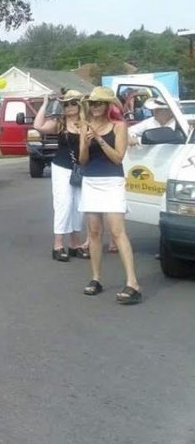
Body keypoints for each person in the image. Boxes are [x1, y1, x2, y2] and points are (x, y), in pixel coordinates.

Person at [77, 86, 141, 304]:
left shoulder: (118, 126)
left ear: (107, 106)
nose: (94, 107)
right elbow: (83, 160)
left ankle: (133, 282)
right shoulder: (84, 126)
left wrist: (99, 139)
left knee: (117, 232)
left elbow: (118, 158)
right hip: (91, 181)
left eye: (99, 103)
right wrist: (85, 142)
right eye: (92, 103)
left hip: (112, 181)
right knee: (94, 232)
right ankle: (96, 278)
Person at [33, 90, 89, 261]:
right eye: (66, 104)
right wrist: (45, 104)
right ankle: (58, 245)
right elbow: (38, 126)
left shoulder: (86, 123)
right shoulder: (59, 122)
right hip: (62, 167)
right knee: (63, 203)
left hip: (81, 168)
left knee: (79, 206)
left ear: (79, 104)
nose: (70, 106)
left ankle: (75, 244)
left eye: (73, 103)